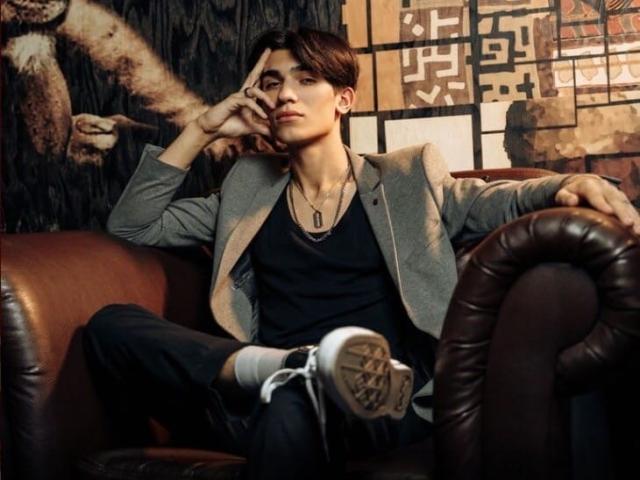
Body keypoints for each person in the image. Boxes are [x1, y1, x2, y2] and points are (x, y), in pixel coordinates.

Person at [83, 28, 640, 480]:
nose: (285, 95)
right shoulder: (245, 189)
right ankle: (290, 366)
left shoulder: (408, 176)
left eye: (306, 80)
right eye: (272, 83)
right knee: (111, 326)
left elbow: (494, 200)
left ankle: (299, 374)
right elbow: (133, 225)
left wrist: (565, 186)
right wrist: (203, 128)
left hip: (379, 403)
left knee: (297, 402)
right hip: (267, 395)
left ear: (343, 100)